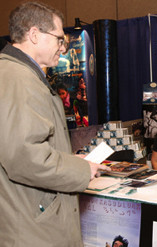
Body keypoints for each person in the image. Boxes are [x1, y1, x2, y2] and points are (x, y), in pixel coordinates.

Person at [0, 2, 109, 246]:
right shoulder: (19, 79)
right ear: (34, 34)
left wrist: (69, 161)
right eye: (59, 39)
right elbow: (23, 156)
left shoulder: (16, 73)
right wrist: (80, 170)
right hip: (32, 228)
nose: (63, 47)